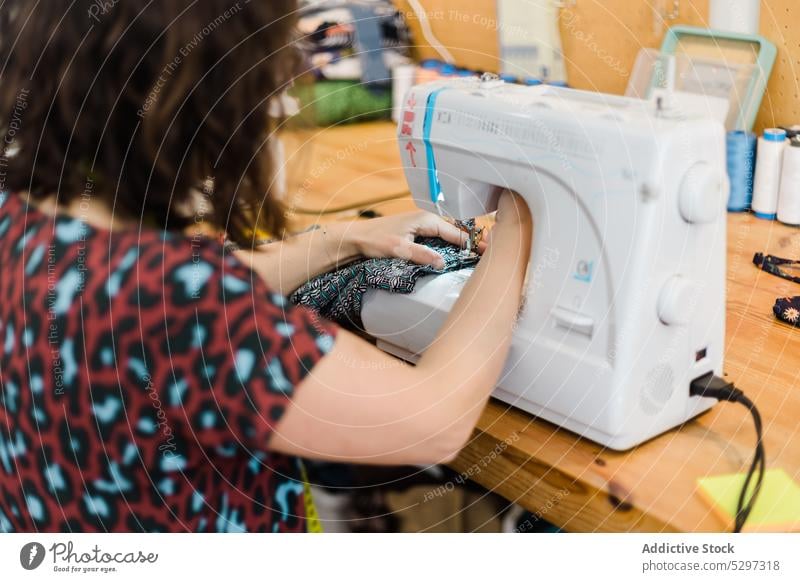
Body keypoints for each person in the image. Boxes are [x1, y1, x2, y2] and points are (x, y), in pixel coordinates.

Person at [0, 1, 531, 532]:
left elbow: (167, 305)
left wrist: (339, 239)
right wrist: (519, 220)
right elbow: (431, 419)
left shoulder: (24, 228)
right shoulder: (187, 303)